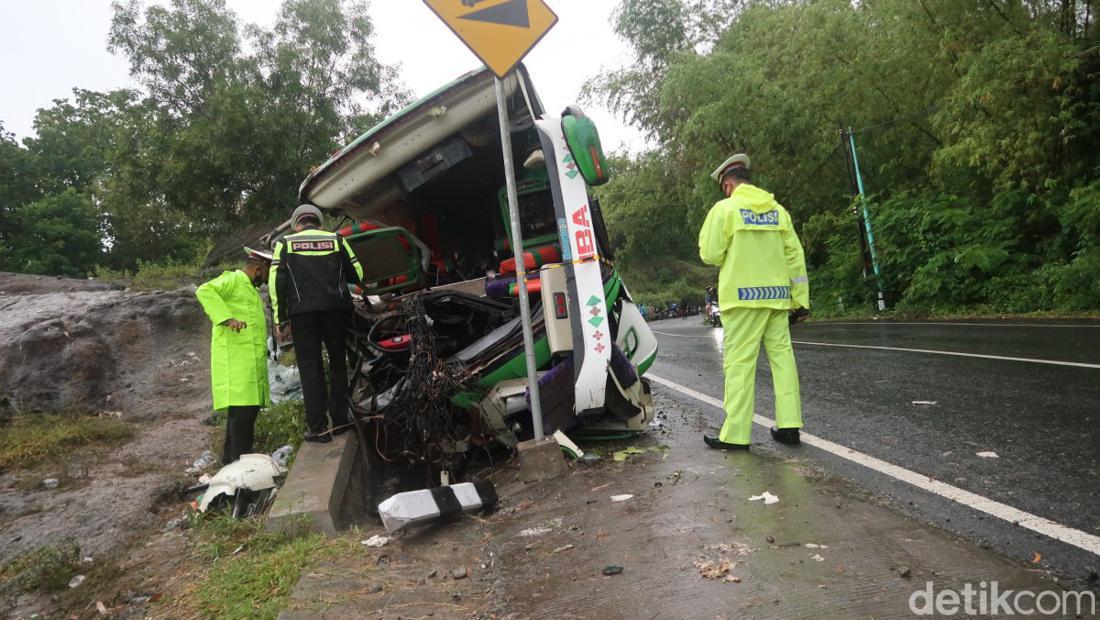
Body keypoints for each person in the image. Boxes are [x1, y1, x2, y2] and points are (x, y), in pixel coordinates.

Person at [697, 153, 809, 450]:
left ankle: (735, 435)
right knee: (783, 362)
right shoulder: (778, 211)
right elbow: (795, 257)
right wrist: (801, 301)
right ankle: (789, 427)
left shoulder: (726, 209)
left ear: (728, 186)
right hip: (777, 300)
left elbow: (710, 254)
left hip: (742, 300)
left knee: (740, 365)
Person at [269, 204, 365, 443]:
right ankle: (341, 422)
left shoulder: (285, 244)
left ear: (296, 224)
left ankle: (319, 429)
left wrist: (281, 320)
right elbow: (358, 274)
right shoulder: (337, 240)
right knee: (337, 364)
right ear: (319, 223)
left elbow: (276, 284)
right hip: (336, 312)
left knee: (311, 369)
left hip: (303, 315)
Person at [195, 248, 272, 464]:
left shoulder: (249, 289)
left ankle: (229, 461)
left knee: (242, 416)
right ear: (259, 269)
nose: (267, 279)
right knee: (242, 417)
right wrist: (227, 319)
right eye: (267, 272)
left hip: (247, 365)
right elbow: (204, 290)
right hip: (236, 365)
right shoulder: (234, 280)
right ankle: (242, 468)